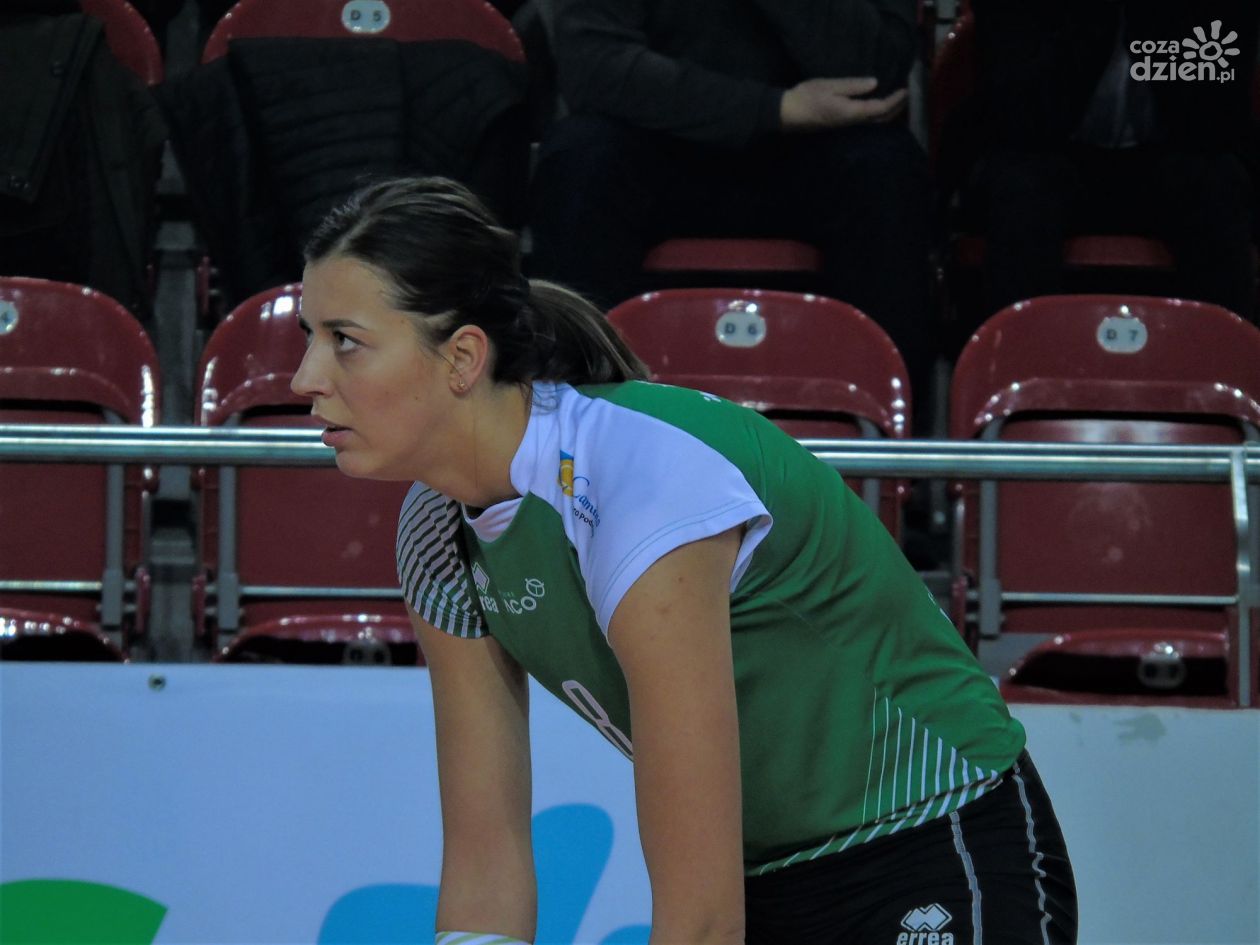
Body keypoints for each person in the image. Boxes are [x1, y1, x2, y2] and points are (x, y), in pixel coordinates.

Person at [291, 176, 1078, 944]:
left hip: (932, 839)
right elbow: (486, 860)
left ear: (463, 357)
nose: (305, 379)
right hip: (768, 880)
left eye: (345, 342)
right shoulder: (434, 524)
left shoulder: (632, 474)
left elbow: (701, 924)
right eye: (308, 338)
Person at [528, 0, 938, 413]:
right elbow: (596, 67)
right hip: (658, 138)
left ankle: (891, 430)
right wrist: (774, 109)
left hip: (823, 147)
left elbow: (876, 69)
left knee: (886, 169)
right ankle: (569, 419)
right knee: (580, 158)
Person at [964, 0, 1258, 326]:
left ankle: (1222, 353)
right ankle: (1020, 352)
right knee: (1020, 189)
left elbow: (1217, 119)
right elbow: (1017, 114)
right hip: (1051, 149)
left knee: (1217, 187)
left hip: (1174, 151)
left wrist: (1147, 17)